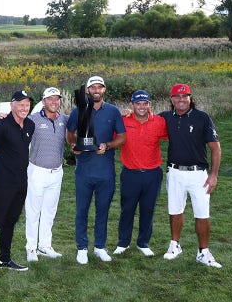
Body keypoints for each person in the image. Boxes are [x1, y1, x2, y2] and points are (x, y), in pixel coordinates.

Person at [160, 83, 223, 268]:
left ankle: (203, 252)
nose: (181, 100)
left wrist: (213, 175)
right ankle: (175, 245)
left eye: (184, 96)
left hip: (198, 175)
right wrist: (127, 114)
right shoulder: (165, 118)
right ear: (171, 99)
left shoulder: (202, 118)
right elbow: (144, 121)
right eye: (177, 97)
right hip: (175, 172)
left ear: (190, 97)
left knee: (202, 214)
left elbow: (215, 147)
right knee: (175, 210)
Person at [66, 76, 126, 264]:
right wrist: (73, 144)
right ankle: (82, 248)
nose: (96, 90)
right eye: (93, 87)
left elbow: (122, 137)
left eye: (100, 87)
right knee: (81, 211)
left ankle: (100, 246)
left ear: (104, 90)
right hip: (84, 171)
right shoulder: (78, 111)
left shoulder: (113, 111)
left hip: (105, 172)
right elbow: (70, 133)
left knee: (103, 211)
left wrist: (107, 145)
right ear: (87, 91)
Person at [0, 90, 35, 279]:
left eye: (27, 104)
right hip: (3, 183)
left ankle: (4, 260)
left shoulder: (30, 124)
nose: (24, 108)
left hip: (21, 182)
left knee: (10, 221)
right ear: (11, 105)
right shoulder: (0, 127)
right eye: (20, 104)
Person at [113, 90, 168, 257]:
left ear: (149, 104)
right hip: (130, 173)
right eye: (138, 104)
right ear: (132, 105)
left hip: (152, 174)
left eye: (145, 103)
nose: (142, 107)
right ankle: (123, 243)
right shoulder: (123, 121)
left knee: (148, 209)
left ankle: (143, 243)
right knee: (127, 209)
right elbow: (111, 137)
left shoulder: (159, 122)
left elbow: (174, 137)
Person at [24, 87, 69, 262]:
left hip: (56, 172)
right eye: (50, 99)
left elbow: (85, 120)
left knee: (50, 210)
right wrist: (3, 116)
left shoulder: (64, 119)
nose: (54, 102)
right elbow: (15, 123)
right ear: (43, 102)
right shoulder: (33, 119)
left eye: (57, 99)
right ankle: (31, 248)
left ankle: (45, 246)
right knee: (33, 211)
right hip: (37, 171)